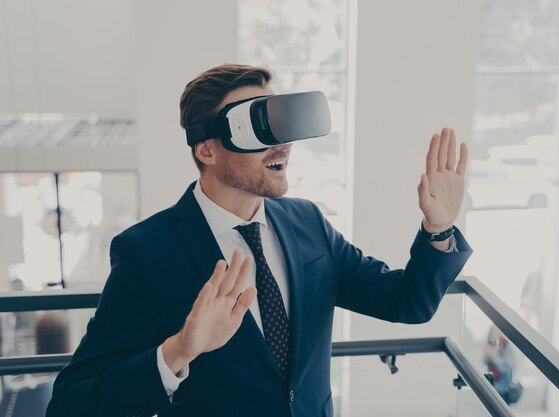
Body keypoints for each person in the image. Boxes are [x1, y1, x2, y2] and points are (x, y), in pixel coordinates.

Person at [46, 64, 473, 417]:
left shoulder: (307, 222)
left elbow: (406, 303)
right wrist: (177, 352)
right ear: (207, 150)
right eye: (256, 127)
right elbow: (72, 404)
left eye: (280, 124)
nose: (282, 143)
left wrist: (438, 228)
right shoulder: (147, 252)